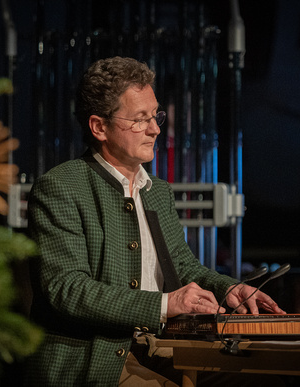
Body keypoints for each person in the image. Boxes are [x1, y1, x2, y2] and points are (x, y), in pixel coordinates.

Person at [26, 56, 285, 386]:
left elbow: (182, 266)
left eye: (154, 116)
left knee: (260, 375)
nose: (155, 129)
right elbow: (66, 290)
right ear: (98, 127)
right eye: (139, 120)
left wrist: (228, 288)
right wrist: (165, 304)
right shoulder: (61, 187)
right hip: (96, 357)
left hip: (157, 343)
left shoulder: (156, 190)